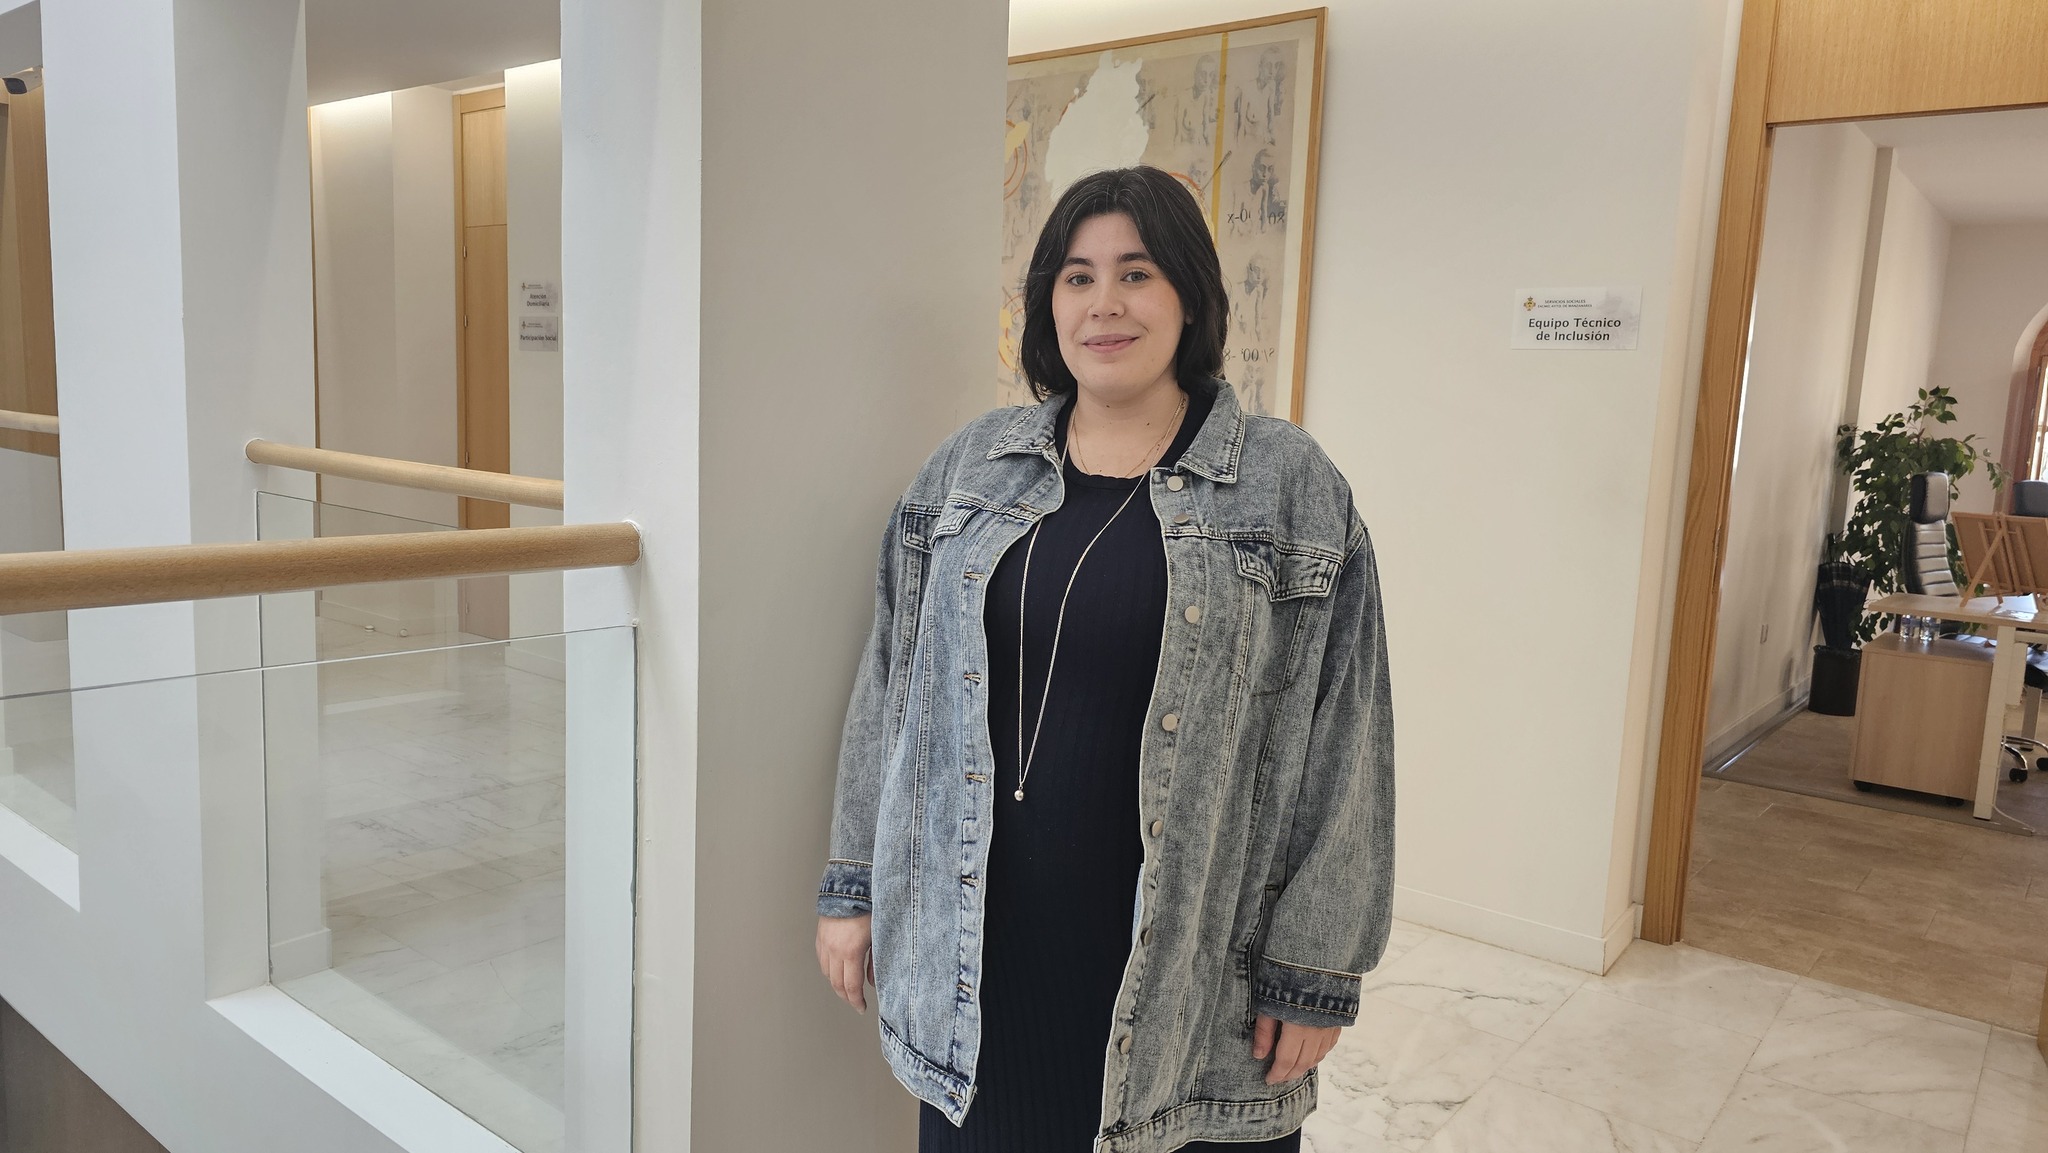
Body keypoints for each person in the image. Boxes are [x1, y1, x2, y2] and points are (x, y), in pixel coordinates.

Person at [815, 165, 1395, 1153]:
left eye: (1136, 273)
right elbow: (893, 689)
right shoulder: (970, 465)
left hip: (1191, 987)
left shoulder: (1286, 483)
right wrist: (854, 884)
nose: (1104, 303)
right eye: (1077, 277)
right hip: (978, 960)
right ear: (1049, 302)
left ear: (1188, 295)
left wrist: (1315, 970)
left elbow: (1346, 739)